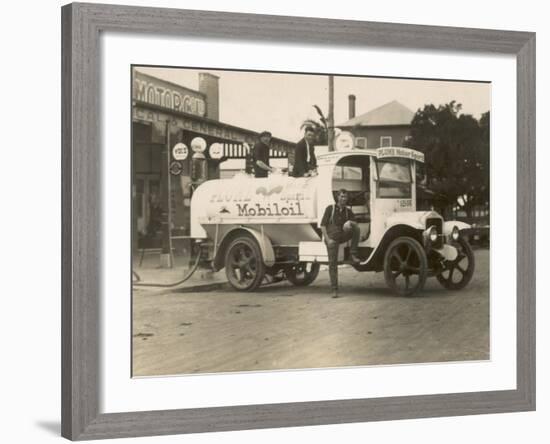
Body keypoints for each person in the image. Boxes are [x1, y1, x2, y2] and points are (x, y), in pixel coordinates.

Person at [320, 189, 361, 298]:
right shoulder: (330, 209)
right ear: (338, 197)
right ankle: (334, 289)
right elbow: (323, 226)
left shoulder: (348, 211)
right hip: (332, 238)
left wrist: (350, 222)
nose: (344, 199)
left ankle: (353, 253)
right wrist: (328, 240)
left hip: (342, 236)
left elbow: (355, 223)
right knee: (333, 264)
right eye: (342, 196)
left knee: (356, 228)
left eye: (345, 197)